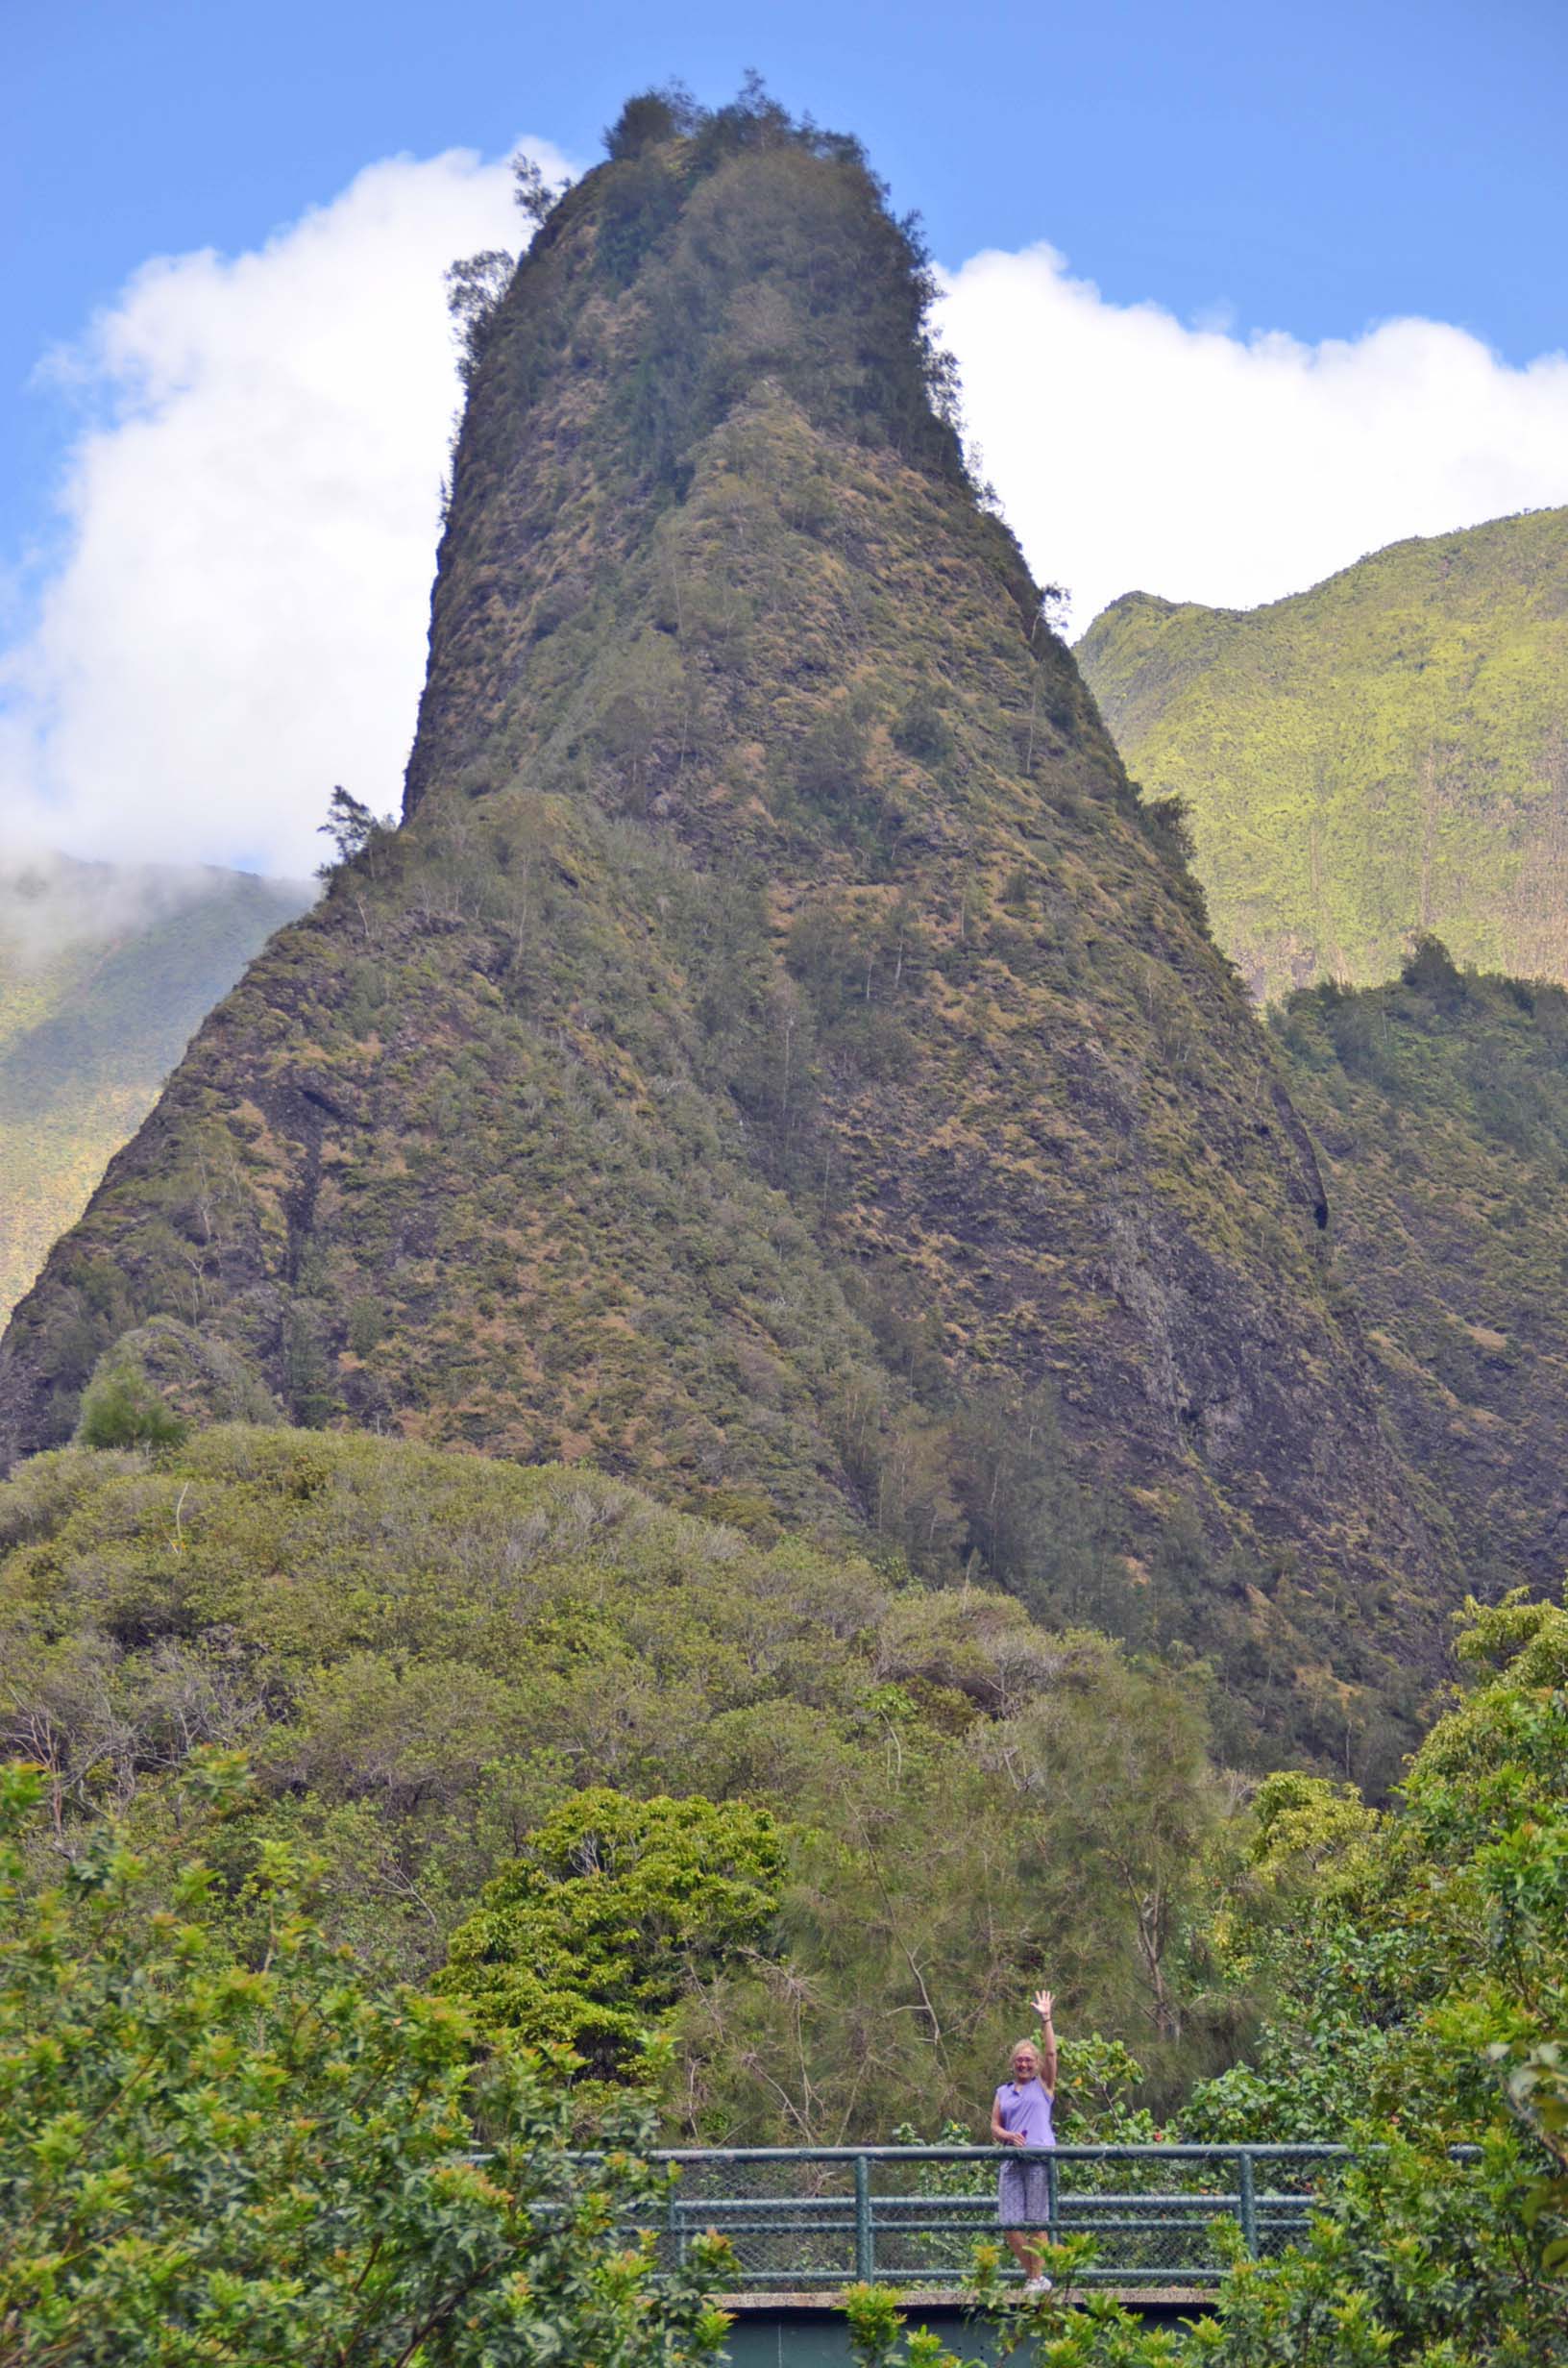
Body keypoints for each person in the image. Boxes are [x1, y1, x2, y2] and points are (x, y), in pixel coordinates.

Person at [990, 1987, 1057, 2294]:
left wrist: (1046, 2019)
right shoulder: (1003, 2092)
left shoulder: (1044, 2086)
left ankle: (1035, 2279)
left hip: (1039, 2161)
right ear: (1012, 2063)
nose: (1024, 2064)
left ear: (1036, 2063)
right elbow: (994, 2126)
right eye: (1020, 2060)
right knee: (1009, 2223)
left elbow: (1052, 2053)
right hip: (1011, 2162)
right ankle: (1034, 2277)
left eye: (1029, 2060)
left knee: (1037, 2222)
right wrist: (1007, 2135)